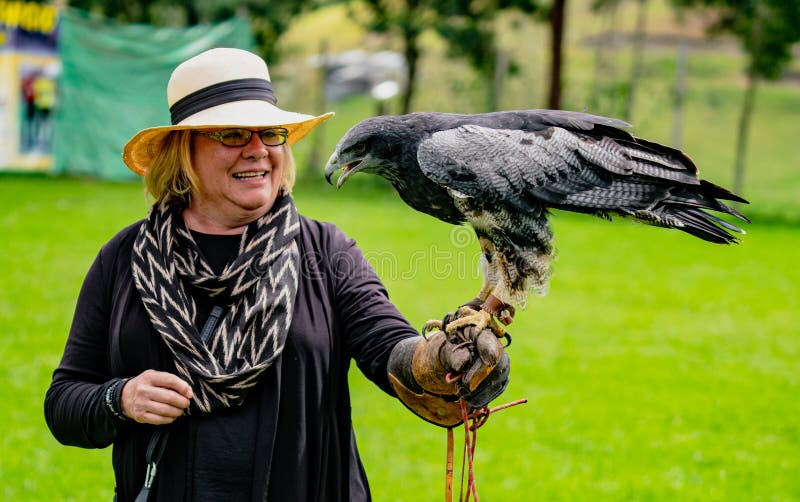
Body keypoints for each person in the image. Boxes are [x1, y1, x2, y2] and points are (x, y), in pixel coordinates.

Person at [44, 48, 509, 502]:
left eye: (270, 133)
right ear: (183, 150)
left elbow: (388, 346)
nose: (257, 151)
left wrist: (441, 359)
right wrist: (119, 399)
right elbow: (64, 402)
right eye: (232, 134)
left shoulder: (325, 250)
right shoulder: (126, 257)